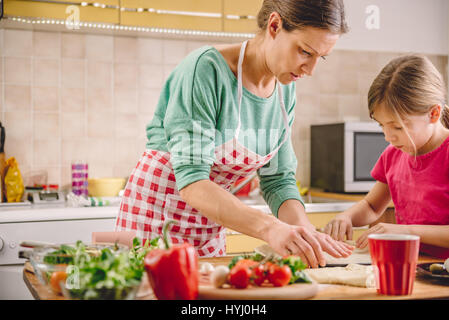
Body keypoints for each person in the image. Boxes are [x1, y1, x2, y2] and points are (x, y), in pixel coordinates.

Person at [115, 0, 353, 267]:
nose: (310, 70)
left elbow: (278, 179)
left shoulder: (285, 90)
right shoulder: (206, 70)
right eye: (305, 52)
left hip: (210, 229)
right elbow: (193, 181)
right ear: (274, 26)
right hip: (155, 221)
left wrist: (305, 232)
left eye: (320, 57)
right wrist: (269, 228)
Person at [324, 54, 449, 259]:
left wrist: (406, 231)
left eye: (398, 127)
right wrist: (346, 217)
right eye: (381, 125)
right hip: (413, 266)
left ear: (434, 114)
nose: (388, 137)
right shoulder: (393, 155)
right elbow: (372, 207)